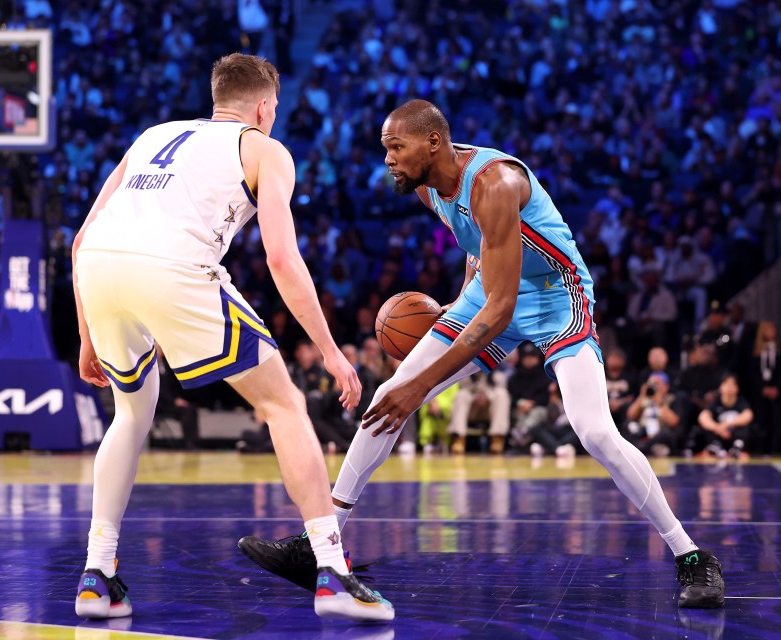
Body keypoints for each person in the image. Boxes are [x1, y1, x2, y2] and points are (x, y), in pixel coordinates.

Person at [240, 100, 724, 608]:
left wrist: (421, 385)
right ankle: (321, 543)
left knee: (595, 430)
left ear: (433, 143)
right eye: (386, 148)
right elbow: (481, 247)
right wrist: (461, 295)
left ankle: (691, 555)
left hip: (555, 295)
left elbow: (500, 305)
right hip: (492, 292)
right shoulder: (427, 187)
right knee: (386, 397)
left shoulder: (495, 183)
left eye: (395, 147)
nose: (387, 160)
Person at [71, 53, 392, 622]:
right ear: (265, 107)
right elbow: (281, 258)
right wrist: (330, 352)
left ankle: (98, 576)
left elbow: (81, 239)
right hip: (172, 267)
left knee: (130, 414)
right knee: (285, 403)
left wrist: (86, 334)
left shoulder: (153, 135)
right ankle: (332, 573)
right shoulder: (266, 148)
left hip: (98, 269)